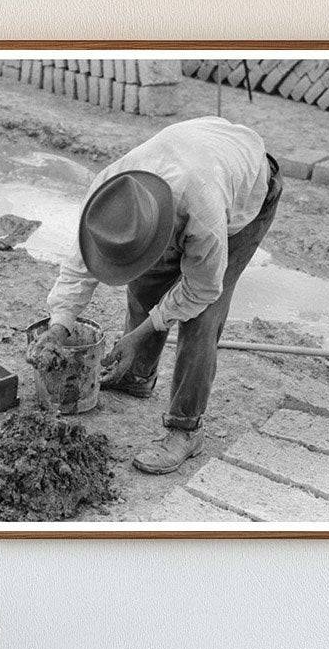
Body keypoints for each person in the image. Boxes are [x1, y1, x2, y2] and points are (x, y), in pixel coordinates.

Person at [43, 115, 283, 474]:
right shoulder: (110, 193)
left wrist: (139, 335)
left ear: (165, 233)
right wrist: (58, 325)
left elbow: (201, 289)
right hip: (200, 155)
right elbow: (79, 265)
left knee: (202, 319)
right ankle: (136, 376)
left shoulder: (204, 212)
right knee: (144, 282)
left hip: (247, 190)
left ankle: (186, 429)